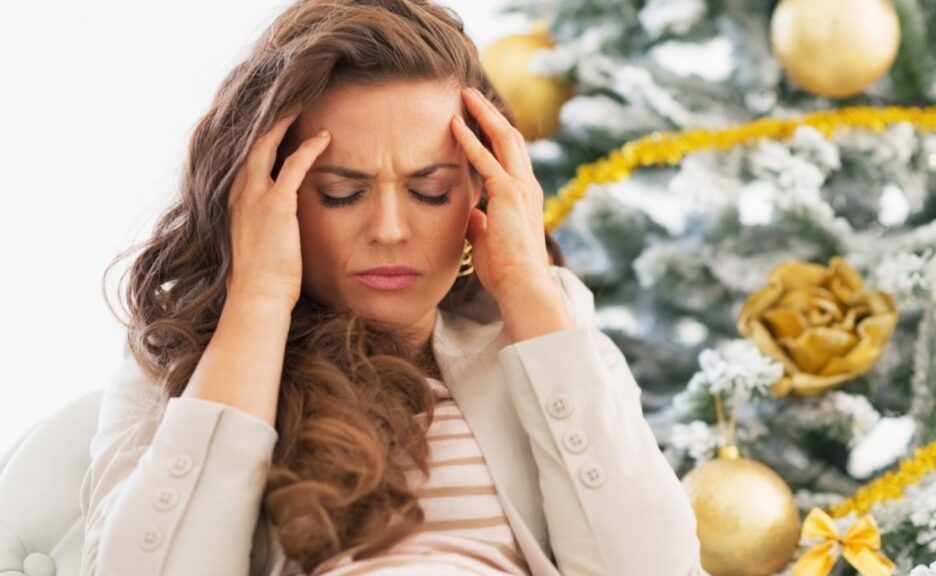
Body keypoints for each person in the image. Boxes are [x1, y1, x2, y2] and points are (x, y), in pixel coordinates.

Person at [80, 0, 704, 574]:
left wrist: (525, 285)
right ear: (268, 196)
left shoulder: (547, 335)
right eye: (341, 193)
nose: (390, 230)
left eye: (430, 191)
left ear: (482, 188)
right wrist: (259, 299)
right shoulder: (188, 361)